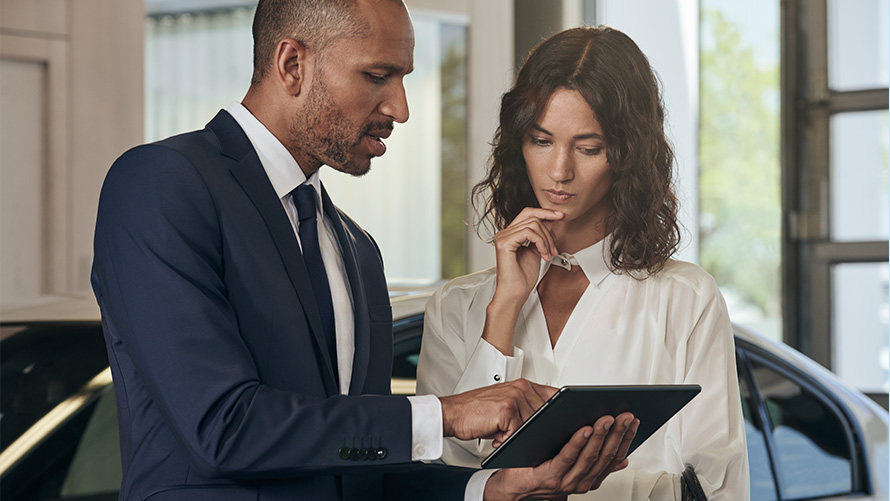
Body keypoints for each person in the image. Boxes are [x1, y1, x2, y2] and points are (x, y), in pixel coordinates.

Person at [91, 1, 639, 500]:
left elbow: (359, 468)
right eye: (377, 76)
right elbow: (223, 427)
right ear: (291, 65)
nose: (399, 108)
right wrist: (445, 414)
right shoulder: (161, 184)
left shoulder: (356, 248)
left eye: (402, 78)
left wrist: (492, 489)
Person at [416, 25, 750, 500]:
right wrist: (504, 308)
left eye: (588, 148)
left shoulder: (685, 298)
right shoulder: (457, 306)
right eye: (541, 140)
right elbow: (448, 475)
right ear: (519, 144)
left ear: (627, 154)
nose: (559, 171)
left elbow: (719, 487)